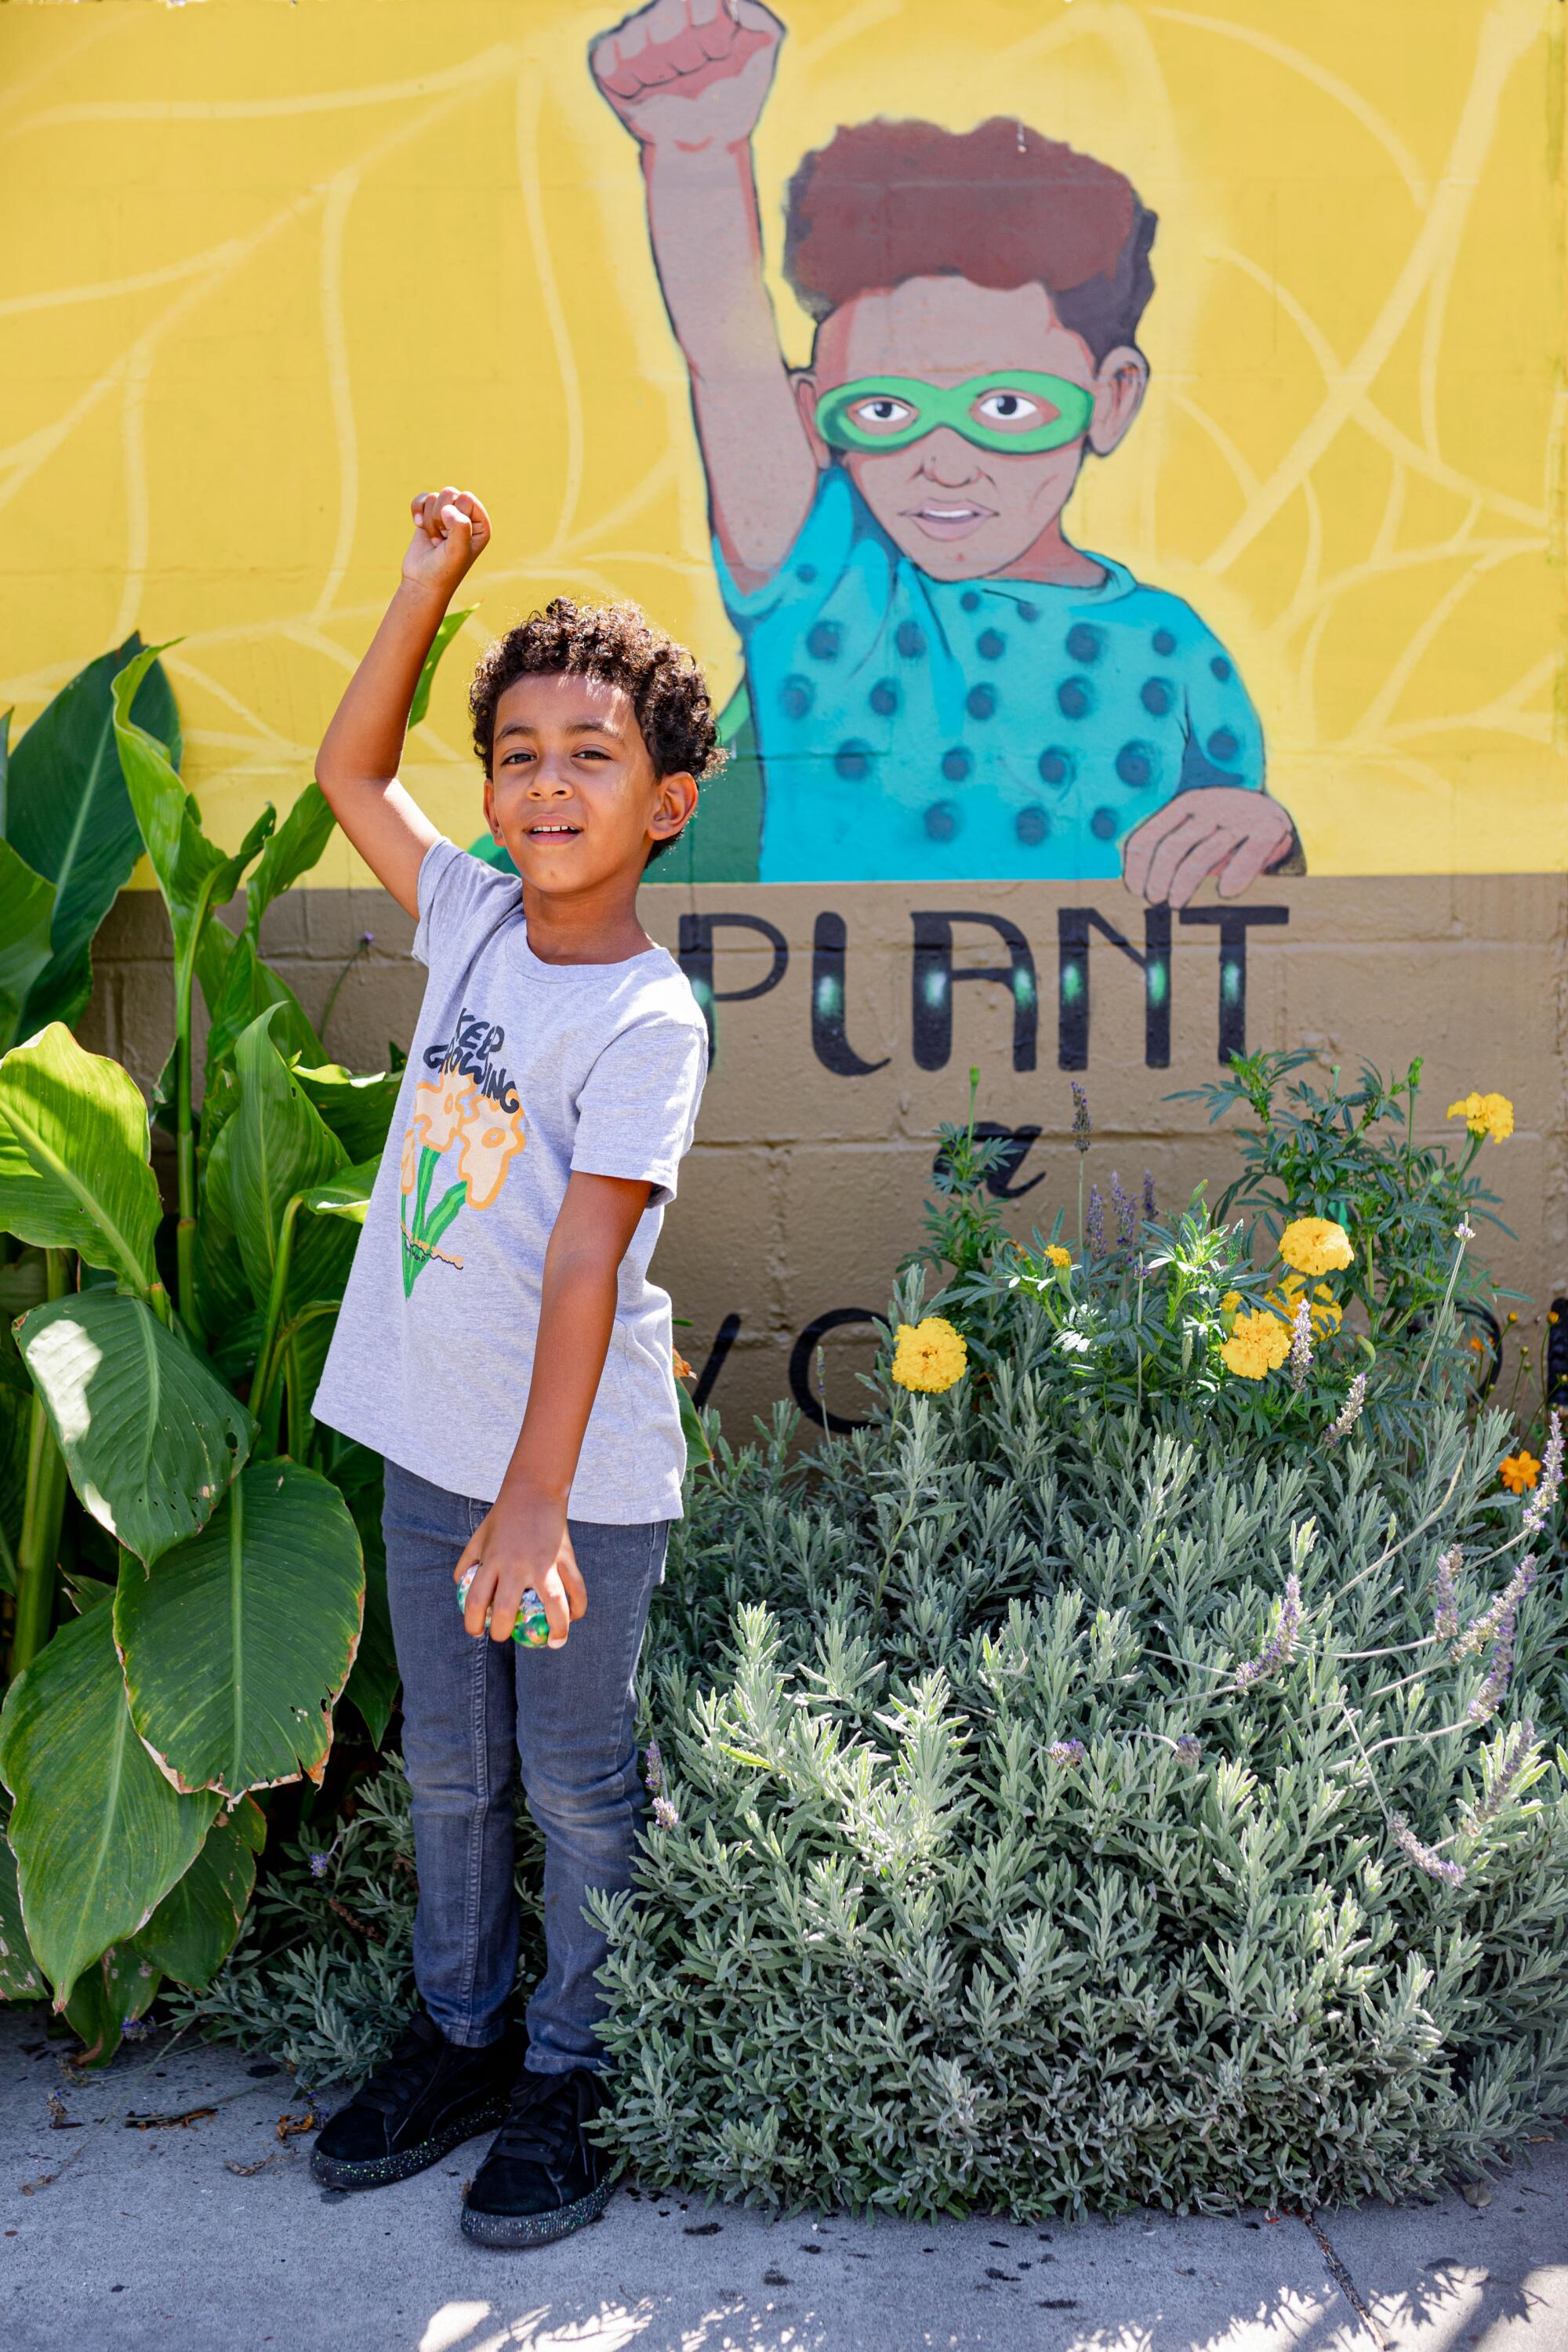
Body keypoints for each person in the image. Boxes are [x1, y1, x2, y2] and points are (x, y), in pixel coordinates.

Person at [307, 485, 716, 2248]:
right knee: (455, 1774)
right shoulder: (469, 922)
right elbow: (347, 777)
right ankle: (462, 2033)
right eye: (522, 754)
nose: (551, 785)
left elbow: (580, 1252)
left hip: (574, 1490)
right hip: (430, 1450)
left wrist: (538, 1499)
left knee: (569, 1776)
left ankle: (576, 2065)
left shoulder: (645, 1020)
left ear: (666, 804)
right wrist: (424, 588)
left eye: (594, 758)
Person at [590, 0, 1301, 902]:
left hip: (1110, 1040)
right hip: (833, 1040)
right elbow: (727, 361)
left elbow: (1256, 882)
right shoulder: (832, 593)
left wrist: (1267, 830)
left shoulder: (1174, 648)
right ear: (815, 416)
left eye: (1006, 407)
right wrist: (693, 154)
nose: (945, 460)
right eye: (884, 411)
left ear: (1111, 398)